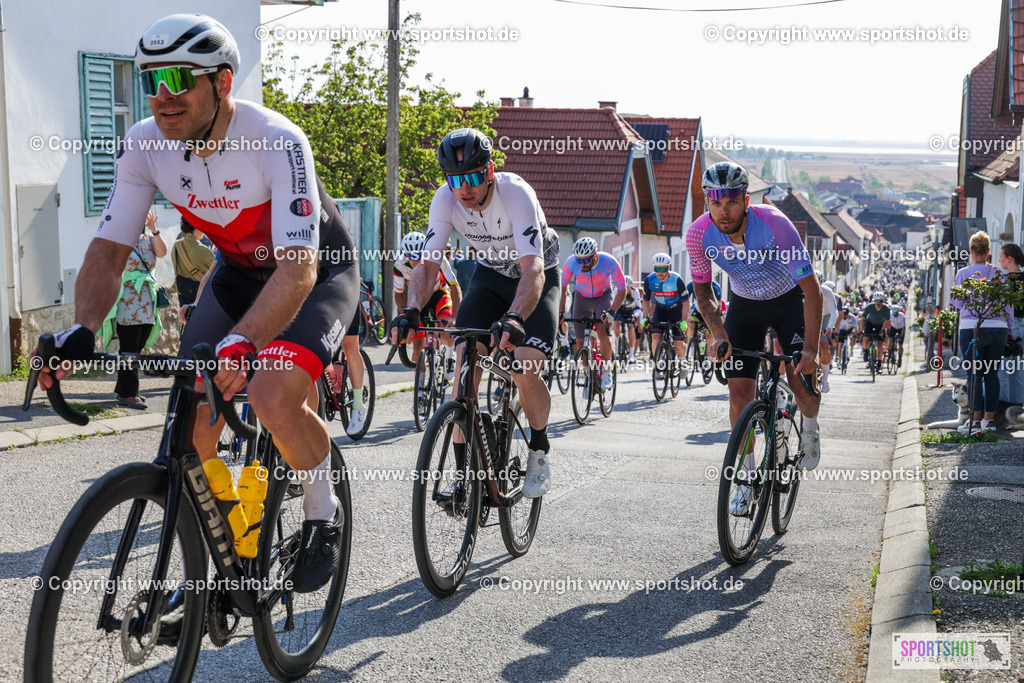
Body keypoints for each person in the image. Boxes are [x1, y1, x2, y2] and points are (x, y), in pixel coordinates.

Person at [37, 15, 359, 593]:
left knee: (268, 391)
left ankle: (321, 507)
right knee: (189, 431)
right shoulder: (144, 146)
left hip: (314, 271)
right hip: (238, 272)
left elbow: (299, 267)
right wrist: (81, 331)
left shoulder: (276, 140)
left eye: (180, 78)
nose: (164, 95)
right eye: (151, 80)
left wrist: (244, 343)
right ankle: (221, 553)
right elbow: (110, 250)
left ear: (223, 82)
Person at [394, 127, 560, 498]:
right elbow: (428, 265)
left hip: (536, 275)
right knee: (465, 364)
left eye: (471, 177)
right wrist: (410, 310)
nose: (463, 189)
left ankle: (539, 448)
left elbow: (532, 269)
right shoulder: (445, 200)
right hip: (490, 276)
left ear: (488, 172)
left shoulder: (516, 194)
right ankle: (460, 477)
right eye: (455, 180)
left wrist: (516, 317)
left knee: (526, 364)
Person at [686, 160, 823, 518]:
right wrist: (717, 334)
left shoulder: (777, 226)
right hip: (745, 305)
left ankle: (809, 428)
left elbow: (813, 291)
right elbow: (703, 294)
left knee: (802, 383)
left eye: (730, 201)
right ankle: (746, 480)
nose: (722, 210)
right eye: (715, 202)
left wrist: (810, 348)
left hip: (788, 301)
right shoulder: (699, 234)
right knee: (738, 394)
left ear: (746, 200)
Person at [100, 209, 167, 409]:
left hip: (147, 301)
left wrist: (154, 230)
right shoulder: (118, 241)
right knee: (129, 349)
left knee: (137, 348)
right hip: (127, 302)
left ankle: (124, 390)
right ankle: (129, 394)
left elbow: (162, 253)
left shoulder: (148, 239)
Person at [951, 231, 1010, 435]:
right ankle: (989, 421)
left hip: (971, 328)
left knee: (974, 376)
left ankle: (974, 423)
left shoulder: (963, 274)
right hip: (998, 328)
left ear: (971, 251)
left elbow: (957, 303)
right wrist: (1009, 329)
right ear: (988, 251)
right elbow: (1007, 304)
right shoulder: (1000, 274)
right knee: (992, 375)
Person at [559, 237, 626, 390]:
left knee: (602, 331)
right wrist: (561, 311)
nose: (582, 264)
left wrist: (611, 312)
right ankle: (588, 374)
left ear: (594, 256)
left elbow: (622, 290)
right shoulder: (571, 263)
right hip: (582, 298)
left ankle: (607, 369)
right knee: (580, 342)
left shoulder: (608, 261)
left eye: (586, 261)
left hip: (603, 297)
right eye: (579, 260)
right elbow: (563, 289)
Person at [642, 253, 688, 367]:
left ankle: (683, 362)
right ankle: (658, 363)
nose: (660, 272)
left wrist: (684, 320)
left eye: (663, 269)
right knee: (655, 337)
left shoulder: (677, 279)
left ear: (668, 268)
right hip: (661, 310)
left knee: (678, 343)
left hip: (676, 311)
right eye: (657, 269)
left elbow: (686, 302)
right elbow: (646, 301)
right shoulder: (649, 280)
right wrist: (646, 317)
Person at [998, 243, 1024, 408]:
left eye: (1001, 256)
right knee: (1020, 369)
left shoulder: (1005, 281)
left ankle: (1006, 407)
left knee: (1006, 369)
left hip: (1012, 326)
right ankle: (1018, 408)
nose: (999, 259)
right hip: (1021, 324)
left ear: (1010, 259)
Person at [171, 216, 215, 306]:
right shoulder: (203, 250)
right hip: (202, 295)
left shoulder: (177, 245)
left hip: (183, 293)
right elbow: (216, 273)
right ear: (197, 228)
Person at [858, 292, 890, 370]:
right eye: (876, 301)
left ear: (883, 301)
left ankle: (879, 363)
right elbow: (862, 319)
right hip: (869, 323)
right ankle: (866, 351)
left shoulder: (886, 308)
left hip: (880, 325)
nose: (878, 303)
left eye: (880, 301)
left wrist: (883, 329)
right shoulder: (870, 306)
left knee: (879, 344)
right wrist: (861, 330)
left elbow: (887, 321)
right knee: (865, 339)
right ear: (874, 301)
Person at [613, 275, 641, 362]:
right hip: (620, 309)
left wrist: (635, 315)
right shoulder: (617, 290)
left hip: (631, 310)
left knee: (631, 327)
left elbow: (638, 307)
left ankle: (631, 354)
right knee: (617, 323)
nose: (626, 289)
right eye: (624, 287)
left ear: (631, 286)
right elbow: (613, 303)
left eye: (628, 287)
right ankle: (617, 342)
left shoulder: (635, 292)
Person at [818, 278, 839, 392]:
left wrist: (829, 327)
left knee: (824, 346)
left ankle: (825, 379)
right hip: (811, 315)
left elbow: (833, 312)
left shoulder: (826, 291)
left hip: (825, 316)